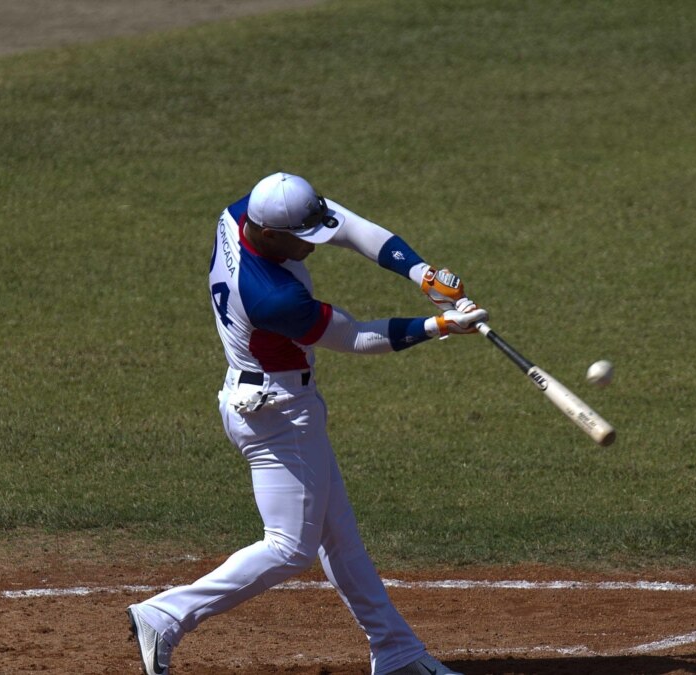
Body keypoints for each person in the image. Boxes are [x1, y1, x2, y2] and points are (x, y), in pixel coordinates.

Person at [126, 172, 487, 675]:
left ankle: (397, 653)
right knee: (290, 547)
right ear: (271, 234)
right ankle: (165, 615)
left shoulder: (240, 214)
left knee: (338, 536)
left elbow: (351, 228)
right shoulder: (273, 297)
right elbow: (357, 338)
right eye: (303, 239)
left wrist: (422, 274)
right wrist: (439, 326)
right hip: (278, 414)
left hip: (268, 397)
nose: (314, 246)